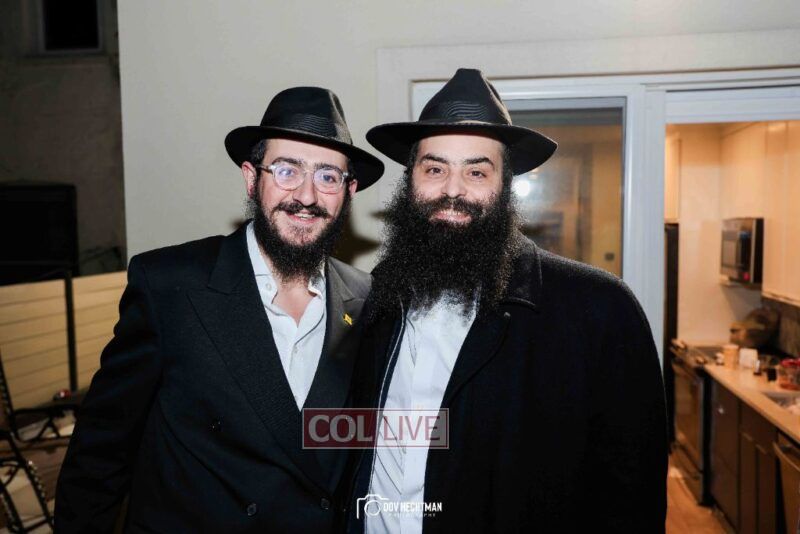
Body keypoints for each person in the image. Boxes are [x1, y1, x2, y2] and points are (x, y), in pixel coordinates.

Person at [345, 69, 667, 533]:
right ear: (410, 180)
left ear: (505, 186)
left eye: (476, 172)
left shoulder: (598, 310)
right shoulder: (378, 296)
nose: (452, 190)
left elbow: (631, 495)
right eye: (435, 169)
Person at [55, 86, 384, 533]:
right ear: (251, 178)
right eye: (287, 170)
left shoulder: (366, 299)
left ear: (349, 191)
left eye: (328, 176)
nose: (306, 195)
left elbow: (355, 443)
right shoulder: (170, 285)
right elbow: (101, 450)